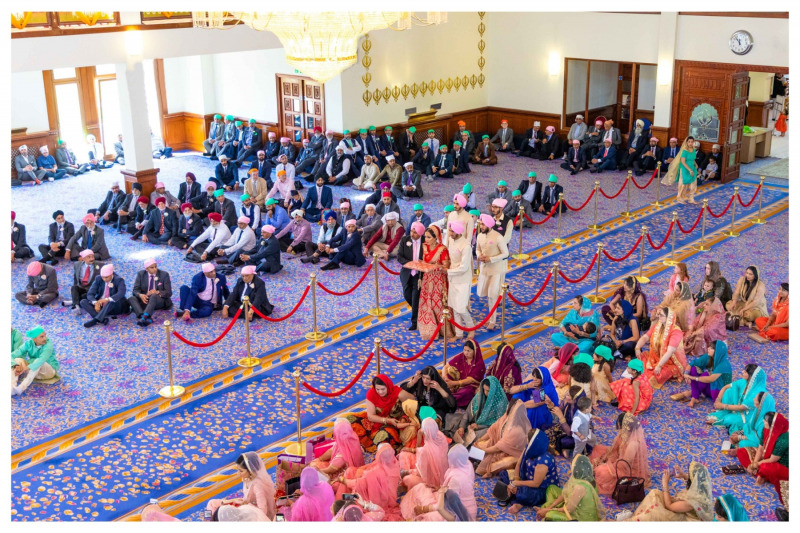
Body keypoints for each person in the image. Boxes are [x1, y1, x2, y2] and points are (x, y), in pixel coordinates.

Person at [401, 444, 477, 521]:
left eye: (450, 459)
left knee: (431, 516)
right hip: (461, 503)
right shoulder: (467, 463)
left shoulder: (456, 479)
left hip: (460, 511)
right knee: (421, 487)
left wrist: (424, 509)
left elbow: (445, 505)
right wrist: (439, 488)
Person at [347, 374, 413, 452]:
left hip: (393, 423)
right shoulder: (371, 393)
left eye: (383, 389)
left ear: (388, 386)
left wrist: (402, 418)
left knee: (384, 436)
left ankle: (369, 447)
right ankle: (353, 443)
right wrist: (386, 420)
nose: (380, 392)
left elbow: (413, 401)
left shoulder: (397, 392)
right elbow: (371, 416)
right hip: (376, 420)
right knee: (350, 421)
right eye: (377, 389)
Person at [629, 462, 713, 521]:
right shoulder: (702, 485)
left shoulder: (692, 502)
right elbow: (694, 478)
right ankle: (639, 515)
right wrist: (683, 475)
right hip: (685, 509)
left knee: (655, 512)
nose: (688, 475)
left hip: (686, 519)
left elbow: (669, 506)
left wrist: (665, 484)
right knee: (655, 493)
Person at [206, 451, 276, 521]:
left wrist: (246, 509)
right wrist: (234, 501)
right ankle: (207, 519)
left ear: (250, 470)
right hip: (245, 506)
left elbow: (262, 510)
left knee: (221, 513)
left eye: (241, 471)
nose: (238, 474)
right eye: (238, 470)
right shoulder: (247, 478)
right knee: (211, 503)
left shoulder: (257, 486)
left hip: (252, 514)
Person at [591, 413, 650, 495]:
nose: (619, 428)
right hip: (619, 459)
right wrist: (609, 458)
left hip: (628, 468)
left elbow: (624, 464)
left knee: (601, 472)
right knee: (597, 450)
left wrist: (610, 465)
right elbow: (616, 449)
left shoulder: (633, 443)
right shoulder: (625, 432)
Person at [340, 443, 401, 520]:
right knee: (352, 471)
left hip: (377, 502)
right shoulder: (394, 463)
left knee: (351, 481)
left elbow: (356, 483)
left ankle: (343, 499)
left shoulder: (374, 473)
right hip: (391, 498)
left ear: (379, 455)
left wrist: (342, 480)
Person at [505, 428, 559, 514]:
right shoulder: (529, 448)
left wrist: (516, 484)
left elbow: (536, 484)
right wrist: (516, 479)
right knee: (504, 474)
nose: (526, 440)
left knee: (524, 495)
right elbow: (519, 463)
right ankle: (517, 495)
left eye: (527, 439)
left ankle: (519, 502)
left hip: (542, 488)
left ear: (533, 442)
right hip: (527, 478)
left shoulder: (543, 461)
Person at [737, 412, 788, 503]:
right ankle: (761, 474)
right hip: (766, 457)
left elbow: (773, 460)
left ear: (772, 425)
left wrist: (755, 465)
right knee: (741, 452)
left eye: (765, 421)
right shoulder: (766, 430)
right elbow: (760, 449)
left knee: (765, 468)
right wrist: (754, 463)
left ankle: (761, 474)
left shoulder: (783, 440)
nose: (763, 421)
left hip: (782, 465)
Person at [538, 454, 604, 521]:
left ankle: (545, 511)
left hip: (578, 517)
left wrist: (549, 510)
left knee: (550, 514)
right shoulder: (581, 477)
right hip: (573, 502)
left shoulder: (580, 487)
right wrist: (550, 506)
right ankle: (545, 509)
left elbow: (569, 510)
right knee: (551, 488)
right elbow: (565, 493)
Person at [635, 306, 688, 389]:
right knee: (641, 357)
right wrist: (637, 348)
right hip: (657, 357)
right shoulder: (658, 327)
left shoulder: (676, 331)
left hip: (671, 362)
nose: (658, 316)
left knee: (657, 375)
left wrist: (659, 366)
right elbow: (645, 337)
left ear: (669, 317)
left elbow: (670, 351)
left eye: (661, 315)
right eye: (658, 314)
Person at [447, 376, 507, 447]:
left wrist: (479, 426)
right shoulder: (480, 395)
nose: (485, 393)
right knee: (453, 420)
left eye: (488, 391)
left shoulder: (501, 402)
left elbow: (497, 424)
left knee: (485, 434)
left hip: (485, 427)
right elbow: (468, 413)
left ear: (494, 390)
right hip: (473, 423)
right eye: (484, 389)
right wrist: (462, 427)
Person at [415, 225, 451, 340]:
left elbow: (446, 267)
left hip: (438, 279)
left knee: (437, 304)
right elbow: (424, 261)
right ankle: (429, 331)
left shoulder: (442, 249)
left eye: (429, 237)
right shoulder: (424, 247)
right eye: (425, 237)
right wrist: (421, 263)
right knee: (426, 303)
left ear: (436, 238)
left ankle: (443, 330)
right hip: (427, 278)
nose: (426, 240)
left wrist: (433, 266)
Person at [398, 416, 450, 492]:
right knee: (404, 454)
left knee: (408, 479)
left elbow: (422, 472)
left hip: (431, 480)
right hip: (442, 472)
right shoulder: (441, 435)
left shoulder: (426, 450)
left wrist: (407, 472)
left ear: (425, 432)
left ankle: (403, 476)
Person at [706, 363, 766, 429]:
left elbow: (742, 407)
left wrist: (722, 406)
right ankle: (725, 412)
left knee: (729, 419)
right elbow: (725, 387)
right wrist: (718, 400)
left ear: (751, 376)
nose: (742, 372)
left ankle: (723, 418)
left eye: (745, 372)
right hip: (737, 406)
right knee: (729, 391)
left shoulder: (756, 392)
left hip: (748, 414)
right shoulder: (744, 382)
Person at [476, 214, 509, 331]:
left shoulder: (498, 237)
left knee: (492, 295)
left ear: (489, 225)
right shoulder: (480, 236)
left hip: (496, 270)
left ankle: (492, 321)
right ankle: (490, 319)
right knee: (487, 295)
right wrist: (479, 256)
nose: (481, 226)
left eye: (483, 224)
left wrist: (491, 259)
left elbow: (506, 254)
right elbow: (477, 248)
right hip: (485, 269)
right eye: (480, 224)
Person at [445, 221, 474, 339]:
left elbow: (464, 267)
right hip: (452, 278)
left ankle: (471, 329)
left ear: (457, 232)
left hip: (462, 280)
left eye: (452, 231)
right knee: (454, 307)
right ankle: (459, 333)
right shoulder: (452, 240)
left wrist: (447, 271)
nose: (449, 233)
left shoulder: (466, 246)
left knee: (461, 308)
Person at [11, 326, 60, 396]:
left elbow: (41, 359)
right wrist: (15, 365)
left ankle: (21, 388)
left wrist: (25, 368)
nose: (45, 338)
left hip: (48, 372)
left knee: (38, 361)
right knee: (17, 360)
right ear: (34, 339)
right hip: (34, 371)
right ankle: (11, 387)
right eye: (41, 337)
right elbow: (13, 355)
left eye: (45, 335)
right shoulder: (28, 344)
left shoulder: (48, 344)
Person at [509, 366, 560, 430]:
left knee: (533, 409)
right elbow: (511, 390)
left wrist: (518, 405)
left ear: (543, 378)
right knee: (518, 393)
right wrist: (527, 386)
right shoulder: (533, 382)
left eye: (538, 378)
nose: (535, 379)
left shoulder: (548, 388)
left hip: (545, 411)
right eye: (534, 376)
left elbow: (537, 402)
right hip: (531, 402)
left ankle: (530, 428)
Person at [128, 258, 172, 327]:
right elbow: (135, 291)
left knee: (154, 296)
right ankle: (147, 317)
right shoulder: (141, 274)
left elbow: (169, 293)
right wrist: (141, 295)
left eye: (156, 266)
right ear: (146, 269)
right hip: (146, 300)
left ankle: (143, 318)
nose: (155, 269)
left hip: (159, 300)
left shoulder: (164, 275)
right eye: (152, 267)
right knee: (131, 298)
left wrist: (157, 292)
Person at [443, 339, 486, 409]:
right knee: (449, 372)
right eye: (464, 350)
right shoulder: (461, 356)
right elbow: (445, 367)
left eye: (468, 351)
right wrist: (445, 377)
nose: (466, 353)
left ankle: (450, 400)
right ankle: (447, 394)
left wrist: (453, 383)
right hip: (456, 382)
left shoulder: (479, 363)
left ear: (475, 351)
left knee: (466, 392)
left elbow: (470, 381)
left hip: (470, 386)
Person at [397, 221, 425, 331]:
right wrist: (411, 264)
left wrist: (421, 263)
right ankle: (419, 312)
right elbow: (400, 257)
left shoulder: (425, 242)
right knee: (407, 295)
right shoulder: (405, 240)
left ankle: (415, 322)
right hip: (407, 273)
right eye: (411, 231)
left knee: (415, 297)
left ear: (421, 233)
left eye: (415, 232)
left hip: (419, 276)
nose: (412, 234)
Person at [662, 136, 698, 204]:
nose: (690, 143)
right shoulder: (684, 151)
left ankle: (691, 198)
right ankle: (680, 197)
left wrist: (695, 166)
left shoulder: (694, 150)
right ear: (687, 142)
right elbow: (683, 162)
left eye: (692, 142)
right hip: (684, 168)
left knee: (693, 184)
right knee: (683, 184)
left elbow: (693, 159)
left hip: (692, 168)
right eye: (689, 142)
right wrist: (689, 170)